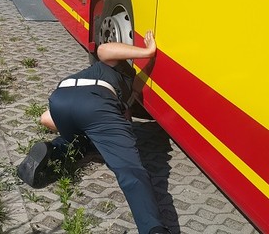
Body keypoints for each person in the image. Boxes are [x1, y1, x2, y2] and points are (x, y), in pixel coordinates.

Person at [17, 30, 171, 234]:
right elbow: (104, 49)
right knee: (130, 171)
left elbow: (44, 118)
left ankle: (52, 149)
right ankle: (153, 228)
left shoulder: (93, 73)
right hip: (96, 103)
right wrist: (148, 51)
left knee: (82, 140)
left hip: (60, 98)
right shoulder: (116, 67)